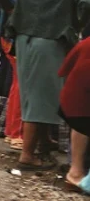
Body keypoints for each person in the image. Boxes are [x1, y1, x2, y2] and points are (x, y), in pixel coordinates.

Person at [0, 0, 90, 171]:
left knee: (34, 94)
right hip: (50, 44)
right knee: (39, 99)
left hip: (23, 41)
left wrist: (11, 10)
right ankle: (27, 156)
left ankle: (44, 143)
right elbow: (86, 3)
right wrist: (77, 23)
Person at [0, 0, 49, 151]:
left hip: (18, 35)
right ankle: (16, 133)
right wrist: (14, 10)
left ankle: (12, 131)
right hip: (14, 37)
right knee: (22, 85)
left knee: (19, 84)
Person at [59, 36, 90, 193]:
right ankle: (75, 173)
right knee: (82, 122)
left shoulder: (85, 43)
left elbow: (63, 69)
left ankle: (76, 169)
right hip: (78, 106)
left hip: (71, 100)